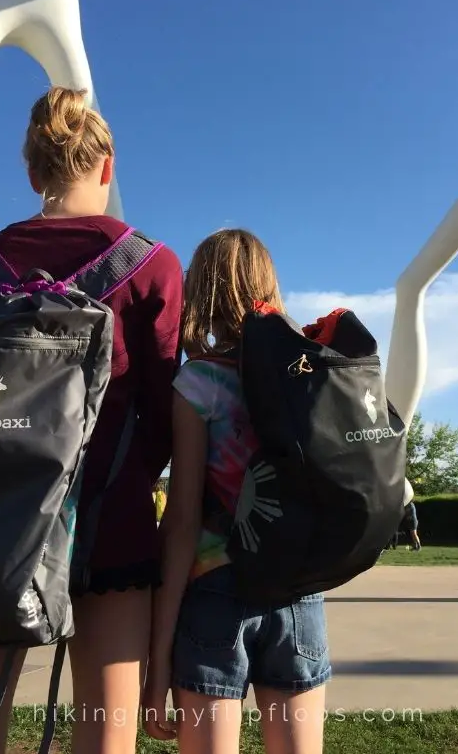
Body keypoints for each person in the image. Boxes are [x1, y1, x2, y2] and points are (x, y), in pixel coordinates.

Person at [0, 88, 183, 754]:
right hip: (112, 526)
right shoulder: (152, 266)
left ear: (32, 174)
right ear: (108, 167)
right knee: (104, 738)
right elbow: (165, 411)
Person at [145, 229, 331, 754]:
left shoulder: (198, 383)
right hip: (300, 594)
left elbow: (181, 523)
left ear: (200, 291)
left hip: (216, 592)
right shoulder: (309, 373)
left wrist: (158, 660)